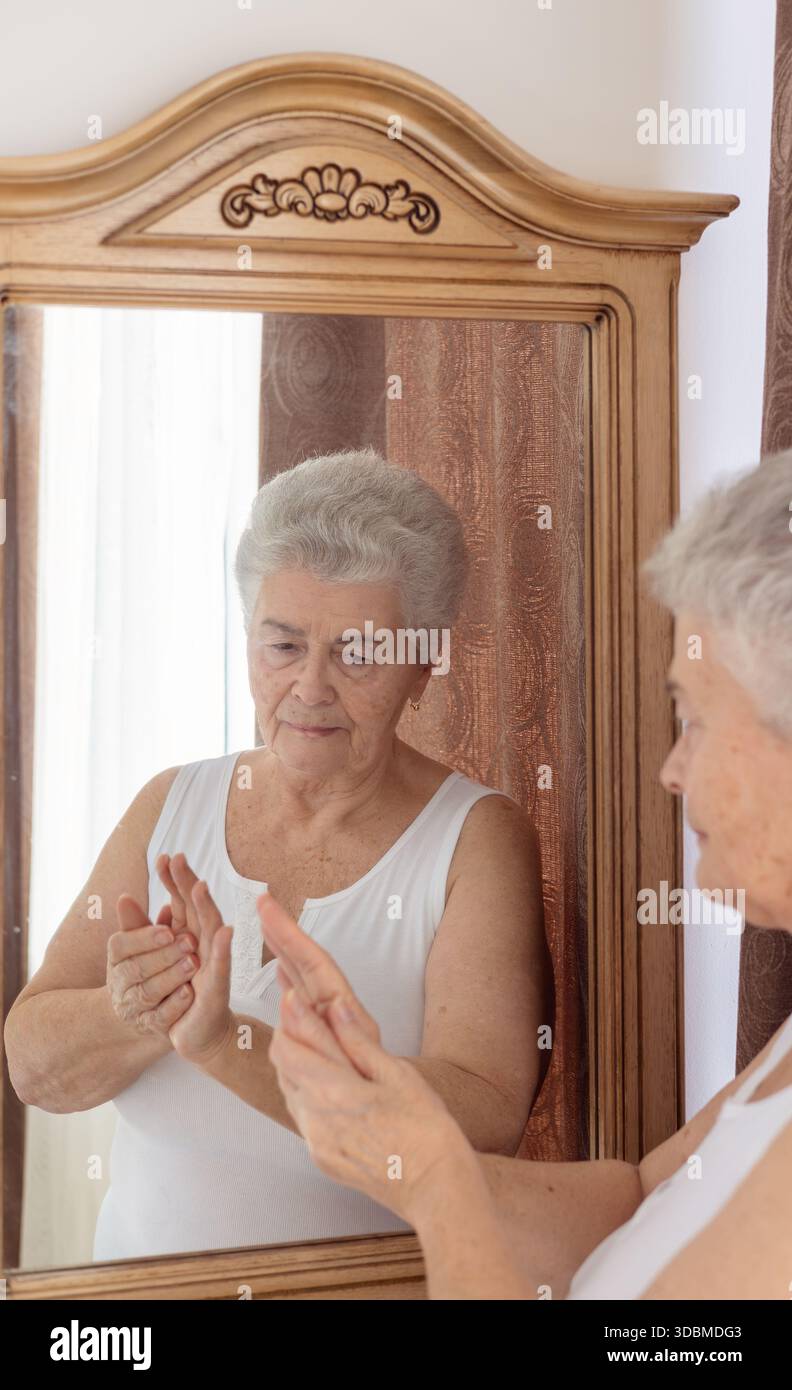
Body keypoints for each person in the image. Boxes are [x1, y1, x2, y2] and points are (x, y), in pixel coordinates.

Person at [257, 451, 792, 1299]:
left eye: (692, 716)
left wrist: (437, 1184)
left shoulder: (472, 834)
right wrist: (395, 1131)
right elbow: (639, 1202)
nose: (671, 770)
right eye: (283, 641)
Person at [5, 446, 550, 1259]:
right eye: (283, 645)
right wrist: (141, 1010)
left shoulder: (474, 838)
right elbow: (31, 1065)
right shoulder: (170, 803)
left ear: (425, 663)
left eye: (358, 654)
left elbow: (487, 1117)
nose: (311, 688)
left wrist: (230, 1040)